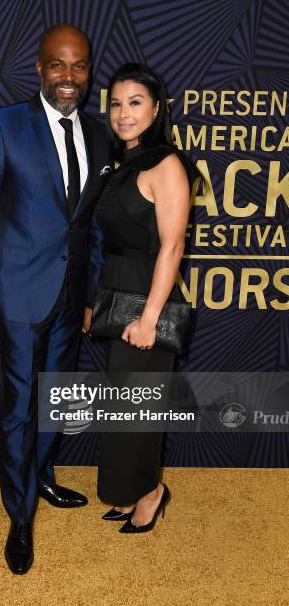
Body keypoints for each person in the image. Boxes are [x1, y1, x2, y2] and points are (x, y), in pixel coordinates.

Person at [0, 24, 111, 573]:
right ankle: (19, 518)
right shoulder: (2, 127)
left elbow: (89, 226)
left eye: (80, 66)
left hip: (71, 298)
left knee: (55, 399)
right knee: (21, 408)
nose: (69, 77)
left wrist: (90, 297)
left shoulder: (98, 134)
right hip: (19, 294)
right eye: (58, 65)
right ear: (39, 69)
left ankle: (41, 477)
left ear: (90, 72)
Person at [84, 63, 196, 533]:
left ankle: (151, 493)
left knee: (139, 409)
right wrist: (95, 302)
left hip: (146, 299)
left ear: (155, 108)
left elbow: (172, 246)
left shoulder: (166, 164)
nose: (123, 113)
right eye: (115, 103)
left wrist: (150, 316)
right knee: (123, 409)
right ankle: (134, 491)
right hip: (115, 293)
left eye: (134, 103)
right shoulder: (117, 163)